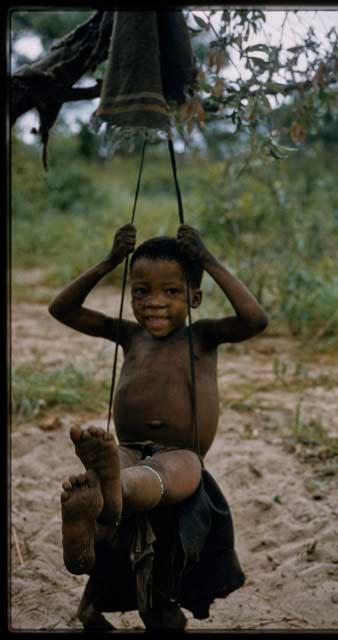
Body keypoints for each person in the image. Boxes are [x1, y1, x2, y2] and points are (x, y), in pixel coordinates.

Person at [48, 223, 268, 629]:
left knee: (156, 474)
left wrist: (207, 260)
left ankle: (113, 492)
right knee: (123, 466)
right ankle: (95, 518)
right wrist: (110, 261)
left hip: (182, 454)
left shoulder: (203, 337)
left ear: (195, 297)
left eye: (171, 291)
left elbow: (255, 319)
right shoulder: (130, 336)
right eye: (141, 291)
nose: (154, 303)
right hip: (129, 446)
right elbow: (61, 309)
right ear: (129, 294)